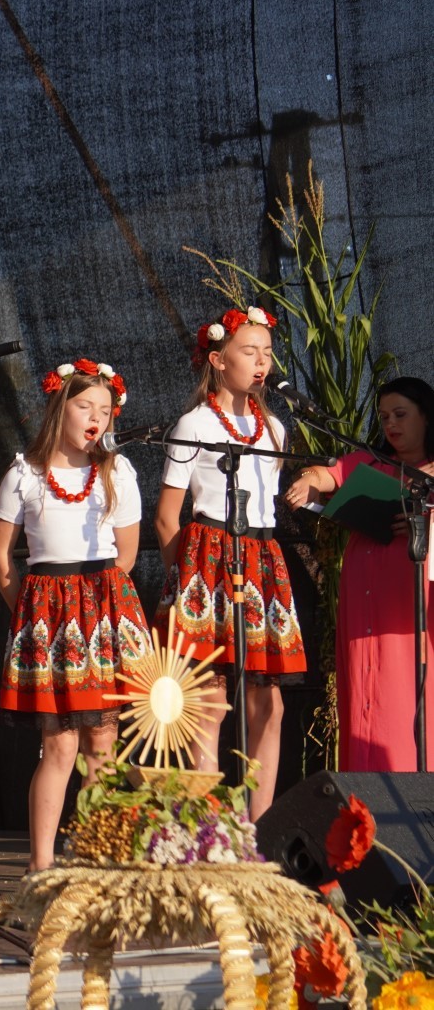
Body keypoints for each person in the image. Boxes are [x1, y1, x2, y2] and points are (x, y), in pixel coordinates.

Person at [0, 360, 149, 871]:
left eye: (105, 409)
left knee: (103, 739)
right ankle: (41, 864)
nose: (96, 417)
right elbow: (0, 556)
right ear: (60, 408)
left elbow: (126, 555)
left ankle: (96, 855)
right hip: (48, 615)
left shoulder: (117, 471)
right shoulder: (24, 474)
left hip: (101, 611)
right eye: (85, 406)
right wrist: (31, 617)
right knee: (58, 743)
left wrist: (95, 608)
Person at [156, 307, 301, 819]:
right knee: (210, 700)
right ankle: (208, 825)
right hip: (208, 561)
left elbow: (266, 506)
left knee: (269, 703)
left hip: (262, 561)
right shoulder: (193, 423)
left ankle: (260, 825)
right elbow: (167, 517)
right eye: (249, 351)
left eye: (267, 353)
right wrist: (188, 578)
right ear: (218, 360)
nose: (261, 362)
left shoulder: (275, 428)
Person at [285, 376, 434, 771]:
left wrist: (427, 525)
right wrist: (309, 483)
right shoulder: (371, 463)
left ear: (426, 416)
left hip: (410, 613)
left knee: (406, 699)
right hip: (363, 599)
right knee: (364, 694)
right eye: (384, 417)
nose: (391, 425)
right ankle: (365, 798)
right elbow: (326, 473)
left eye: (400, 414)